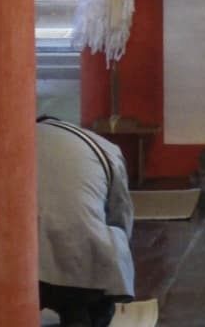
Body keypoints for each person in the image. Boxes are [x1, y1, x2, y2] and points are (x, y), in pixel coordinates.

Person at [36, 116, 135, 327]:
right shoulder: (103, 147)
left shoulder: (10, 142)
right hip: (83, 265)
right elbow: (120, 217)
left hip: (19, 267)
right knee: (83, 304)